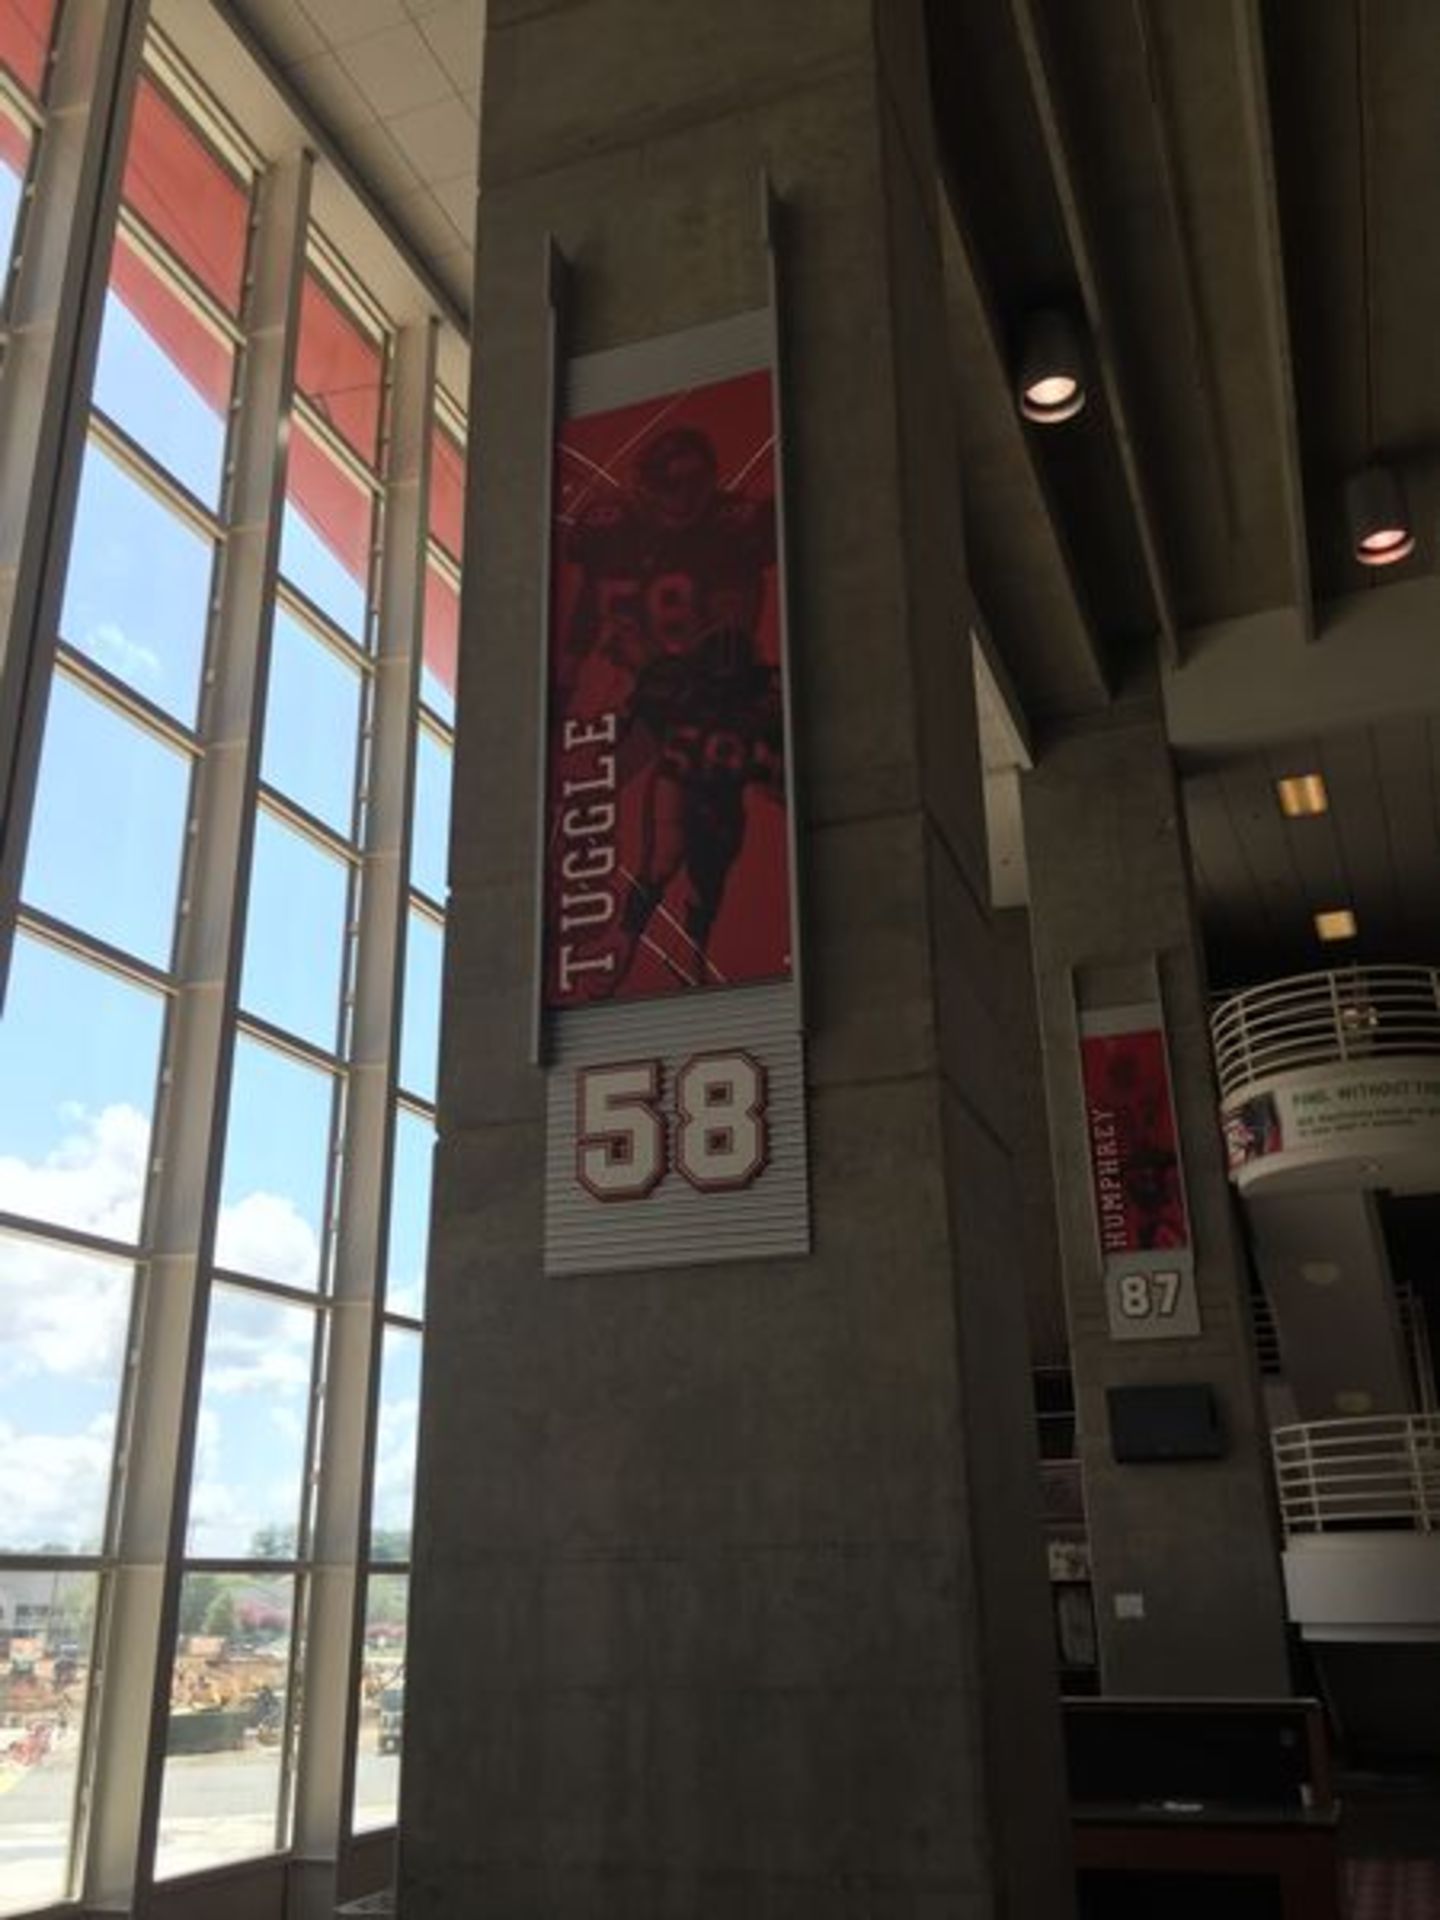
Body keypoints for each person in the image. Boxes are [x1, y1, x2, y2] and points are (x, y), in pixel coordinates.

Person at [559, 424, 782, 988]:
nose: (681, 497)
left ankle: (678, 946)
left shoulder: (732, 528)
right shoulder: (614, 533)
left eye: (691, 483)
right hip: (655, 690)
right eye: (669, 485)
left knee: (713, 841)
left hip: (710, 697)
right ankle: (636, 939)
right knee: (636, 830)